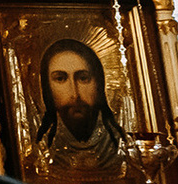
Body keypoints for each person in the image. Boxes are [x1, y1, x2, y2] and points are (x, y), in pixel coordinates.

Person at [34, 38, 126, 174]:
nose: (74, 93)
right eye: (60, 78)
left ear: (99, 84)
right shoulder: (39, 148)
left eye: (83, 78)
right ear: (47, 88)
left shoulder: (121, 144)